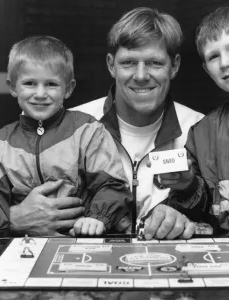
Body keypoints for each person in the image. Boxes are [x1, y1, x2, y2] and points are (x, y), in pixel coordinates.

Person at [0, 36, 133, 240]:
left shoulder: (88, 130)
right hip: (23, 247)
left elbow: (111, 184)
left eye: (51, 84)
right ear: (13, 87)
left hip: (82, 243)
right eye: (30, 83)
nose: (40, 94)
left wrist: (97, 219)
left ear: (68, 88)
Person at [72, 7, 204, 239]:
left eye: (154, 62)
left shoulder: (201, 129)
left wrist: (186, 212)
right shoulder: (73, 125)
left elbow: (225, 212)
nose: (141, 75)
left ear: (174, 66)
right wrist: (16, 215)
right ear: (111, 65)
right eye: (129, 62)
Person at [168, 7, 229, 237]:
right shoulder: (202, 131)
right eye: (213, 56)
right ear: (206, 69)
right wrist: (187, 185)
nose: (225, 63)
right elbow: (200, 214)